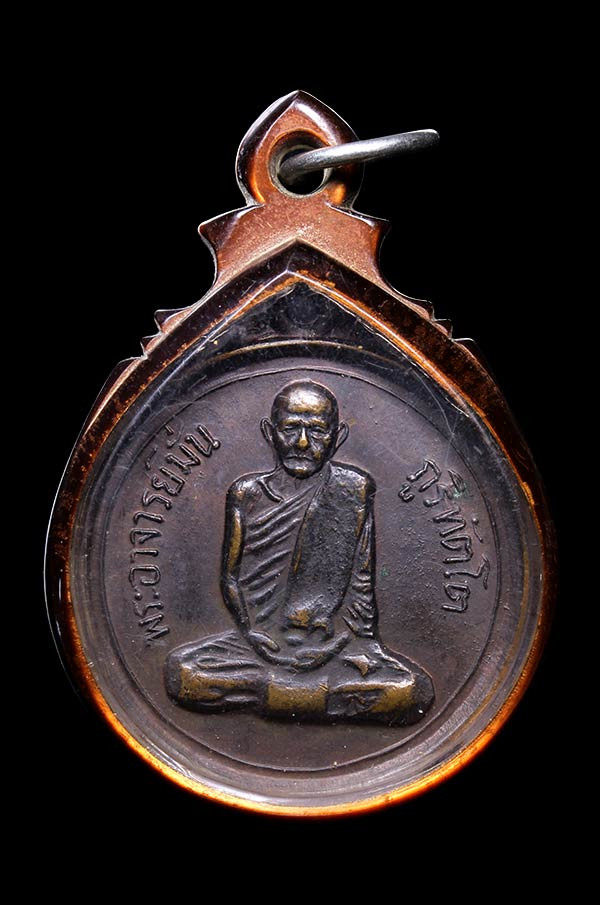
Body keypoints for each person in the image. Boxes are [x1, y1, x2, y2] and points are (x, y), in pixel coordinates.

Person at [166, 380, 434, 724]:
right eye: (291, 428)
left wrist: (341, 646)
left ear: (338, 437)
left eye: (317, 431)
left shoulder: (353, 490)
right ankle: (319, 697)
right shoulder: (247, 494)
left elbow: (361, 586)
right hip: (257, 645)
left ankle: (269, 691)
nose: (303, 443)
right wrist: (251, 634)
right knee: (185, 673)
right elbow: (230, 578)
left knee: (407, 690)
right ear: (270, 433)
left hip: (334, 646)